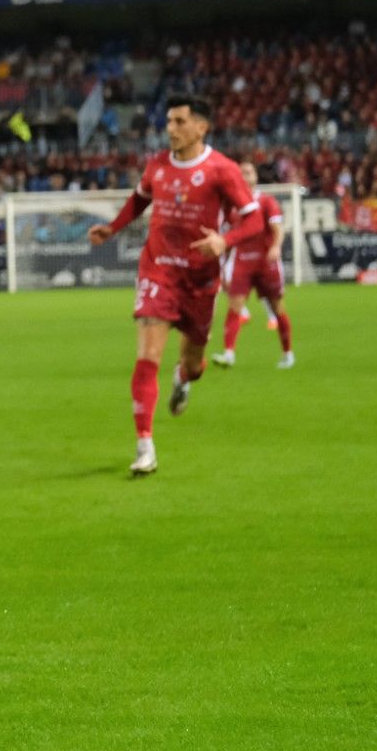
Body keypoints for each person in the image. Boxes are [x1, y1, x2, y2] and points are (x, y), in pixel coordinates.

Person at [87, 95, 263, 477]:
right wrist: (113, 227)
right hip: (158, 272)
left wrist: (224, 241)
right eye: (168, 121)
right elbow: (139, 199)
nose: (171, 129)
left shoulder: (222, 170)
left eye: (180, 121)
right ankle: (145, 446)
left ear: (201, 127)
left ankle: (183, 378)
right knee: (147, 356)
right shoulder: (157, 165)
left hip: (199, 279)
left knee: (194, 363)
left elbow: (253, 221)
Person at [211, 160, 294, 370]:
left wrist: (275, 247)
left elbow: (277, 228)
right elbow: (230, 233)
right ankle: (229, 353)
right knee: (234, 307)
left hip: (266, 262)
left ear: (256, 177)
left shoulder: (266, 202)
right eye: (242, 173)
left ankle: (287, 353)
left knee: (277, 308)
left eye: (249, 172)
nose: (246, 176)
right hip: (242, 262)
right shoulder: (232, 205)